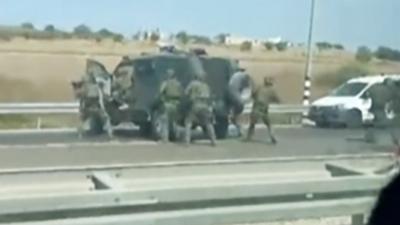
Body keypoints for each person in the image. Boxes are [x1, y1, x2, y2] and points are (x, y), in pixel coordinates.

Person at [245, 76, 280, 144]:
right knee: (269, 124)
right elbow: (277, 100)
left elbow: (253, 94)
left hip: (256, 108)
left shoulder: (259, 88)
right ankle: (272, 136)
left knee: (252, 124)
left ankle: (248, 137)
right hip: (264, 109)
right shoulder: (272, 91)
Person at [184, 74, 216, 146]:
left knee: (188, 123)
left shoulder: (192, 83)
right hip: (205, 106)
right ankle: (213, 141)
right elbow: (209, 97)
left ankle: (187, 141)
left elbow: (186, 93)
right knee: (208, 123)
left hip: (195, 105)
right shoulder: (206, 86)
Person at [364, 78, 396, 144]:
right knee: (387, 124)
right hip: (381, 108)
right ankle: (394, 138)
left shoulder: (375, 87)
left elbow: (367, 94)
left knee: (375, 123)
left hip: (375, 107)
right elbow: (390, 100)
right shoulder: (388, 90)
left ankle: (369, 137)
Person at [158, 69, 183, 142]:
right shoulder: (178, 83)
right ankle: (177, 137)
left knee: (165, 122)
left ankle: (165, 139)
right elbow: (182, 93)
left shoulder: (165, 83)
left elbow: (160, 92)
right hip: (176, 104)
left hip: (167, 103)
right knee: (175, 122)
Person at [228, 67, 251, 137]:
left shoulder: (234, 75)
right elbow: (247, 85)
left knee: (234, 111)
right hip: (235, 94)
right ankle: (234, 121)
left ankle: (233, 119)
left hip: (230, 92)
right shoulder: (244, 75)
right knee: (239, 109)